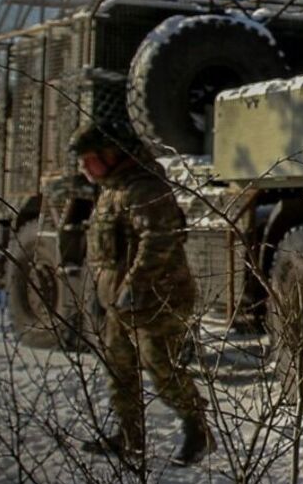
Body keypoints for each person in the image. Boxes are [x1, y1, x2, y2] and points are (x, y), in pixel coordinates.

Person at [73, 120, 213, 466]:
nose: (83, 167)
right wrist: (103, 292)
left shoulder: (146, 190)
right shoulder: (112, 191)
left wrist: (133, 287)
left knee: (161, 368)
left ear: (111, 156)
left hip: (157, 299)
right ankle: (129, 438)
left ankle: (199, 431)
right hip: (118, 301)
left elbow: (159, 241)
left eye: (88, 159)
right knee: (119, 370)